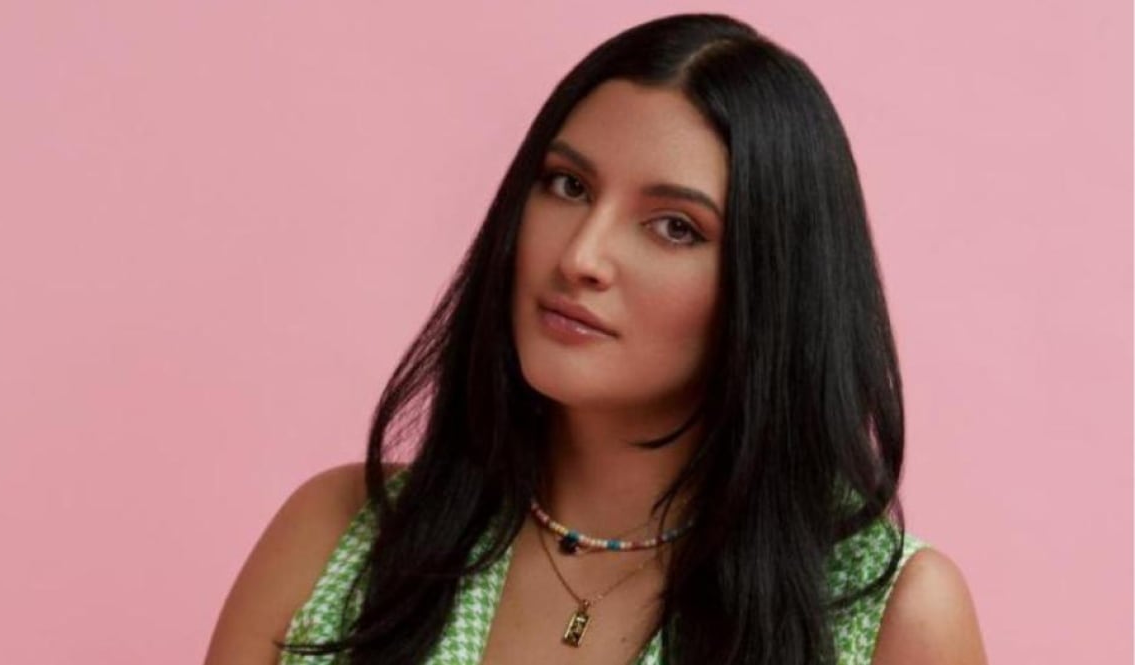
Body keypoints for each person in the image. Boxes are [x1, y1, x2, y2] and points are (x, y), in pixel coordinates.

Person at [205, 13, 987, 665]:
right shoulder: (342, 536)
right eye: (567, 186)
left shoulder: (889, 618)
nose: (580, 256)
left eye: (675, 227)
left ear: (774, 286)